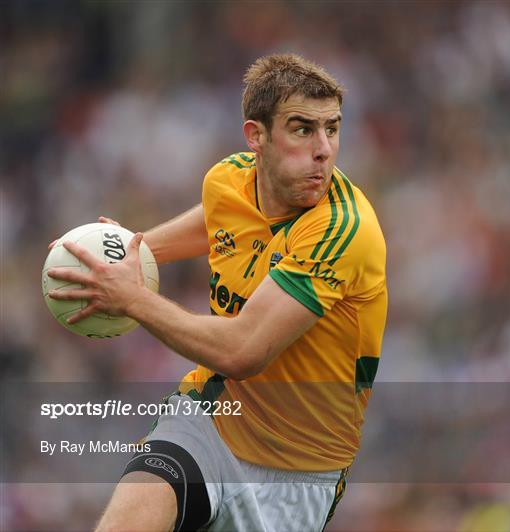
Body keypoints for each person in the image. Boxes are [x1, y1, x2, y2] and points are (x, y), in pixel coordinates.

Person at [48, 53, 388, 532]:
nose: (323, 149)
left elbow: (244, 350)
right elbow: (218, 221)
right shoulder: (228, 179)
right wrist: (132, 251)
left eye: (332, 129)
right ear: (257, 137)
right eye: (302, 129)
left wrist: (133, 298)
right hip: (210, 419)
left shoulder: (343, 230)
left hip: (296, 475)